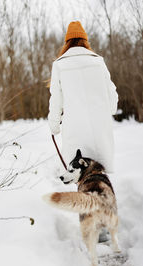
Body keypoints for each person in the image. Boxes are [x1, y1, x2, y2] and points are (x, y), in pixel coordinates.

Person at [48, 21, 118, 242]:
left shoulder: (59, 64)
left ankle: (90, 225)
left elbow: (56, 100)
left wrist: (54, 125)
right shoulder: (98, 62)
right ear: (85, 40)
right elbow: (112, 96)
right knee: (99, 175)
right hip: (99, 129)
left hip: (75, 130)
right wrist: (107, 110)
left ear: (67, 41)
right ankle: (105, 223)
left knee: (82, 178)